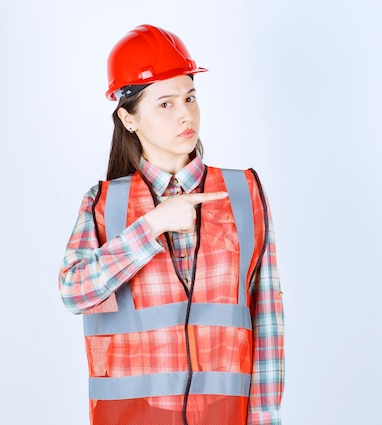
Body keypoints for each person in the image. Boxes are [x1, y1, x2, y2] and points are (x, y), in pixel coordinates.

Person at [58, 24, 284, 425]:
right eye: (166, 104)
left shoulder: (242, 191)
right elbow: (75, 293)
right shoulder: (103, 203)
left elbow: (266, 315)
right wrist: (151, 226)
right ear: (129, 119)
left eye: (190, 97)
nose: (185, 114)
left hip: (224, 415)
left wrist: (266, 417)